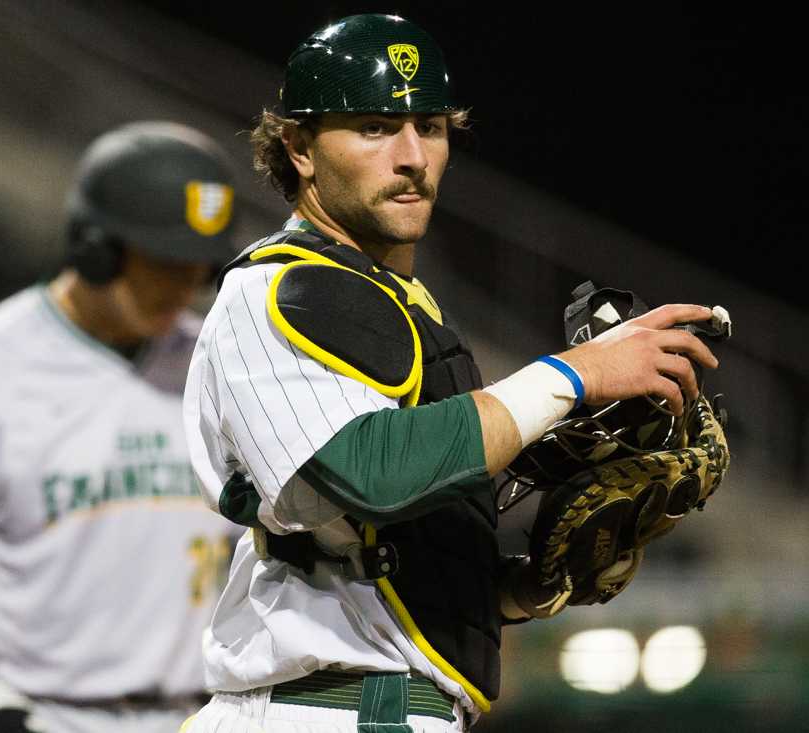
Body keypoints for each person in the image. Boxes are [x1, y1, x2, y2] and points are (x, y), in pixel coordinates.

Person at [181, 14, 720, 733]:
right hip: (323, 711)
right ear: (300, 148)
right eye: (375, 127)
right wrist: (575, 374)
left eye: (430, 127)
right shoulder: (274, 292)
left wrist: (534, 585)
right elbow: (371, 473)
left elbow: (401, 558)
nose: (413, 156)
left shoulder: (399, 307)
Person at [0, 121, 242, 733]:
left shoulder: (222, 367)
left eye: (198, 266)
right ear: (95, 247)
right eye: (165, 260)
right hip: (46, 718)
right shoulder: (4, 361)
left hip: (206, 717)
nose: (186, 284)